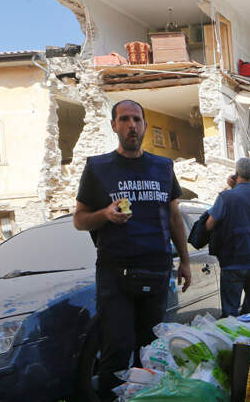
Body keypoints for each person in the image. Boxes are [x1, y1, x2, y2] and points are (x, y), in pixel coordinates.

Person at [73, 100, 191, 401]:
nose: (131, 125)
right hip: (115, 272)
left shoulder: (163, 167)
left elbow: (174, 217)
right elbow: (79, 220)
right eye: (124, 119)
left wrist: (185, 261)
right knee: (116, 347)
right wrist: (105, 215)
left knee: (151, 349)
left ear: (145, 126)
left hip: (156, 267)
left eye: (136, 119)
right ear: (114, 125)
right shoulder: (97, 168)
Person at [206, 157, 250, 317]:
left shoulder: (226, 197)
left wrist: (230, 188)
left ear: (236, 173)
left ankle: (234, 341)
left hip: (233, 262)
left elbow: (209, 225)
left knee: (230, 313)